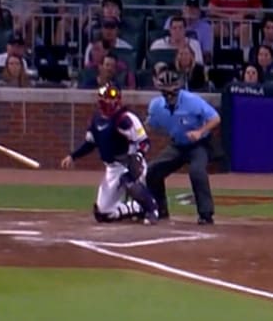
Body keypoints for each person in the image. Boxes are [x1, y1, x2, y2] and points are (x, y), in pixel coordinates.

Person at [58, 83, 161, 224]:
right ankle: (135, 208)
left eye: (112, 98)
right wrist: (73, 156)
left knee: (128, 180)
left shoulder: (125, 119)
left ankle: (151, 208)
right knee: (103, 213)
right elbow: (90, 144)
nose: (109, 102)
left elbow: (144, 142)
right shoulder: (96, 120)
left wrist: (138, 156)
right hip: (112, 168)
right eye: (106, 98)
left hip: (131, 161)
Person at [145, 67, 220, 225]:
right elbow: (151, 124)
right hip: (177, 145)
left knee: (197, 171)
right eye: (165, 93)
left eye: (173, 93)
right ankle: (160, 209)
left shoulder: (192, 101)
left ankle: (206, 214)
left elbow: (215, 118)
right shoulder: (156, 107)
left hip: (199, 144)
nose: (169, 97)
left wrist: (200, 131)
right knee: (152, 170)